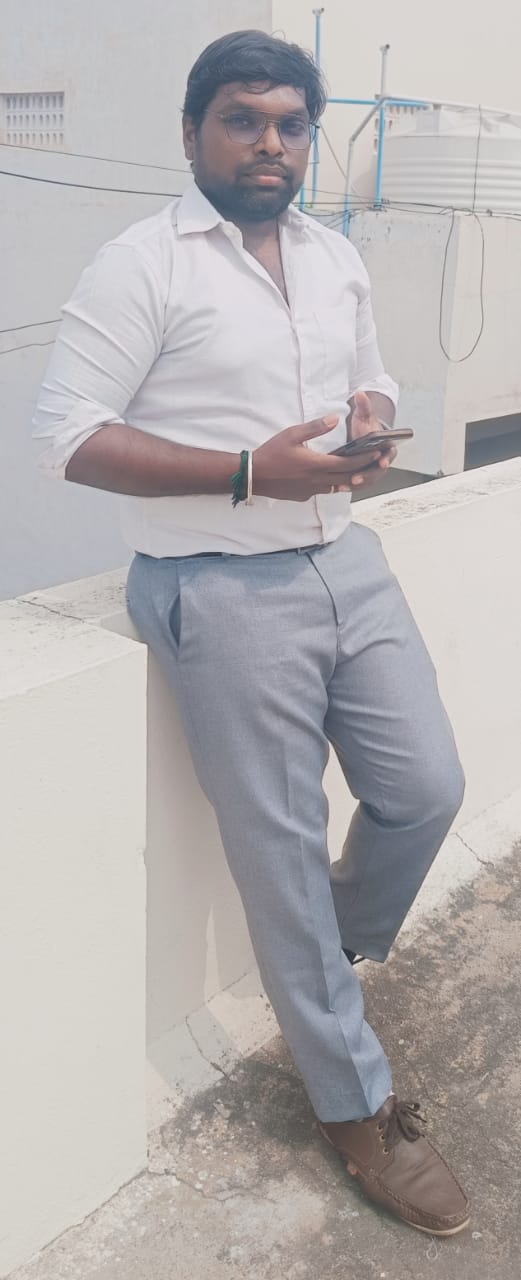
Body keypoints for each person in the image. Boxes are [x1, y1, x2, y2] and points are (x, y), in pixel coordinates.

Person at [33, 29, 469, 1236]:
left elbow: (373, 377)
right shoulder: (142, 265)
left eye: (287, 124)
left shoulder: (331, 255)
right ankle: (351, 1104)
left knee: (424, 786)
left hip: (344, 560)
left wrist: (368, 416)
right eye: (241, 119)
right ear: (193, 134)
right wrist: (244, 471)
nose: (267, 142)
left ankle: (322, 955)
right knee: (278, 852)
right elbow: (68, 435)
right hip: (218, 588)